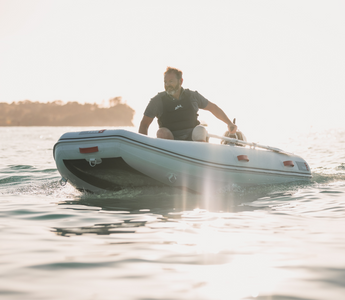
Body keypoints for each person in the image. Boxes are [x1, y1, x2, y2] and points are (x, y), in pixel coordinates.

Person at [139, 67, 237, 142]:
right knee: (161, 132)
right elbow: (144, 124)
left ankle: (200, 159)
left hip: (193, 140)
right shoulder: (157, 101)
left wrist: (229, 123)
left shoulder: (192, 96)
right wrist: (142, 146)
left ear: (181, 81)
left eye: (171, 81)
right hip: (171, 142)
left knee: (201, 129)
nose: (167, 85)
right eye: (165, 82)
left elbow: (213, 108)